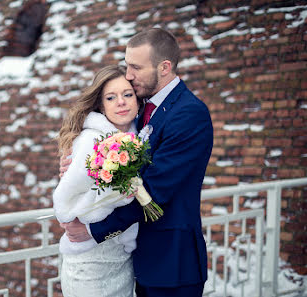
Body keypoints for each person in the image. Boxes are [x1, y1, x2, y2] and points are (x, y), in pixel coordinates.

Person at [59, 28, 213, 297]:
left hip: (172, 264)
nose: (128, 75)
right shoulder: (144, 110)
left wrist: (94, 231)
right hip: (140, 261)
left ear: (164, 67)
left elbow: (154, 192)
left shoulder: (189, 114)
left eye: (135, 67)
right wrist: (81, 169)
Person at [53, 65, 142, 297]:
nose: (121, 102)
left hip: (120, 259)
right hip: (91, 262)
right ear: (101, 105)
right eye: (111, 97)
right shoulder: (92, 140)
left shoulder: (136, 138)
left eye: (127, 94)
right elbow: (68, 198)